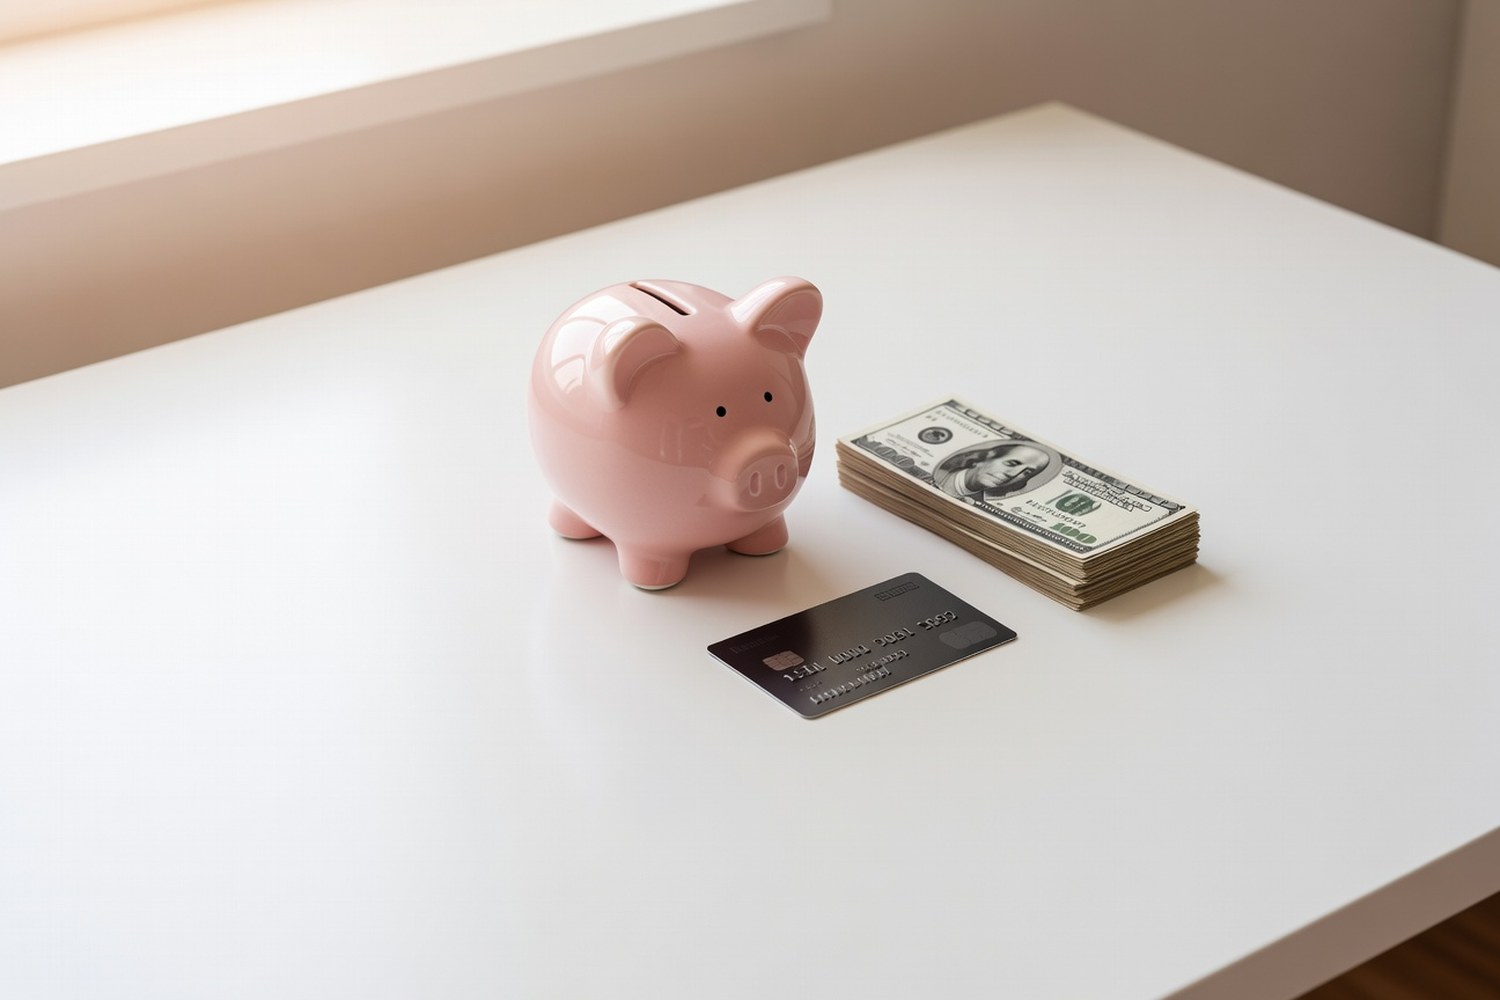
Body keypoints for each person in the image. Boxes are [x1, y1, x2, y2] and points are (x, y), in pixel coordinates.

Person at [933, 442, 1050, 501]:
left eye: (1026, 472)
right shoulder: (938, 473)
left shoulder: (988, 503)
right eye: (1012, 463)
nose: (1012, 474)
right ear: (987, 457)